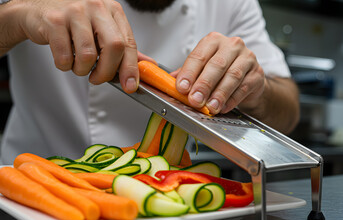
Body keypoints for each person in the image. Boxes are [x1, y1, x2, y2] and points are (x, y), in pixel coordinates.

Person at [0, 0, 299, 164]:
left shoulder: (233, 4)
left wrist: (255, 90)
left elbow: (288, 110)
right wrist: (18, 16)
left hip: (162, 199)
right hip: (26, 192)